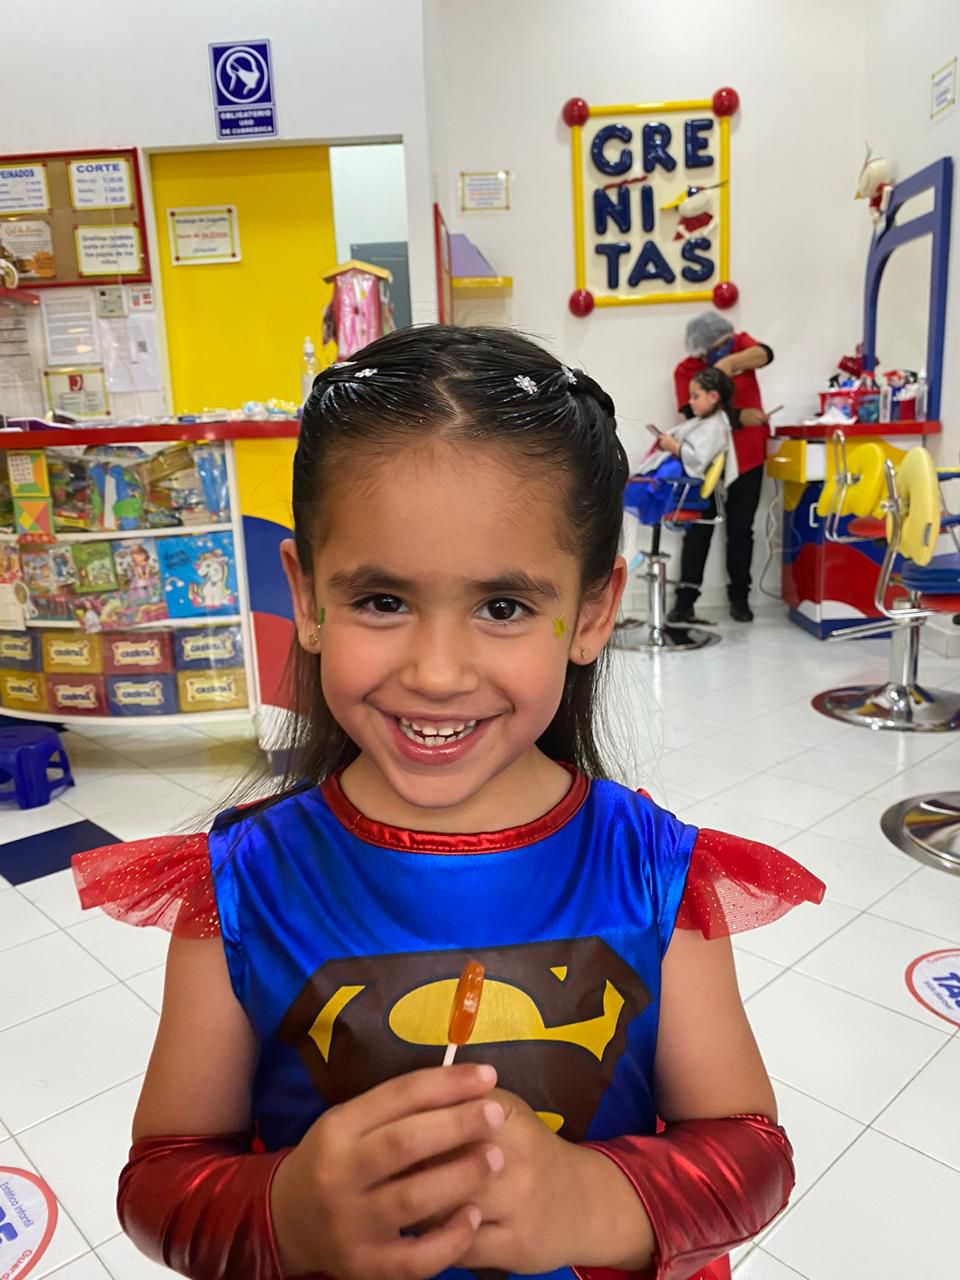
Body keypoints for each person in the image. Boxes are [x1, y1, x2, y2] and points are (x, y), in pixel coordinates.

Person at [73, 326, 822, 1280]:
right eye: (382, 601)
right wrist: (288, 1212)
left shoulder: (654, 872)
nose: (435, 672)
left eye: (504, 607)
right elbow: (161, 1182)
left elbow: (752, 1153)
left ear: (593, 613)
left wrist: (590, 1199)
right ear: (307, 597)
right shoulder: (240, 889)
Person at [670, 312, 774, 624]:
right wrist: (740, 417)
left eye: (726, 344)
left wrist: (729, 363)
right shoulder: (687, 370)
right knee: (699, 528)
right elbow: (693, 413)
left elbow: (765, 354)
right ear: (701, 349)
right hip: (706, 459)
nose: (724, 348)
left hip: (748, 455)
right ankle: (685, 601)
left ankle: (740, 598)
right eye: (717, 347)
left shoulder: (739, 346)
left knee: (741, 530)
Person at [628, 367, 738, 525]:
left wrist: (673, 446)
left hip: (682, 486)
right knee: (621, 488)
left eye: (695, 396)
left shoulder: (715, 427)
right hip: (673, 481)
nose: (690, 402)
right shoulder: (706, 423)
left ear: (713, 396)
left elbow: (698, 459)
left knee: (621, 492)